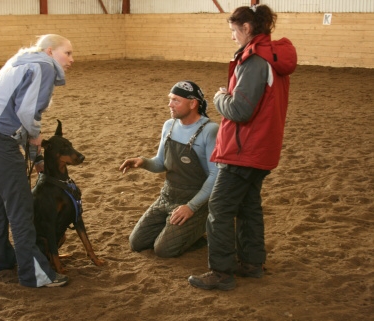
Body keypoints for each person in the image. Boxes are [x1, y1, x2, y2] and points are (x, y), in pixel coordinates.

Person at [188, 4, 297, 291]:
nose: (232, 37)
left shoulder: (254, 61)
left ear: (247, 28)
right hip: (261, 147)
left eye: (233, 31)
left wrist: (220, 97)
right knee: (249, 207)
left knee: (220, 208)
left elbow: (240, 110)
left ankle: (221, 272)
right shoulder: (272, 57)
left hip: (244, 149)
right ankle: (251, 263)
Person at [0, 34, 74, 288]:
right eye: (67, 53)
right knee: (21, 206)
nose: (72, 59)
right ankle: (34, 273)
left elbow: (20, 110)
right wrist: (36, 138)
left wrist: (35, 154)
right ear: (50, 51)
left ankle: (1, 258)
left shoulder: (24, 61)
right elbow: (27, 112)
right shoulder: (45, 66)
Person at [119, 81, 219, 258]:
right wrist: (143, 162)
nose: (169, 104)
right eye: (170, 99)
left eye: (175, 100)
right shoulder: (169, 125)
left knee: (163, 250)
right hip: (168, 195)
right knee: (137, 242)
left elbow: (215, 175)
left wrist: (191, 207)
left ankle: (202, 223)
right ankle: (181, 230)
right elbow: (160, 163)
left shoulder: (210, 130)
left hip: (195, 200)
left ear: (193, 103)